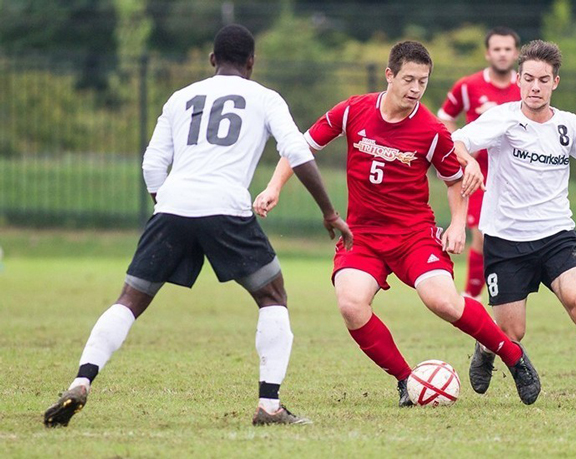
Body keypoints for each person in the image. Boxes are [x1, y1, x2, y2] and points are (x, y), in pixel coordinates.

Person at [43, 24, 352, 428]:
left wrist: (166, 204)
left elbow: (152, 165)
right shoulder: (264, 98)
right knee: (273, 297)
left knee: (129, 301)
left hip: (172, 205)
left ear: (211, 60)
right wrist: (329, 212)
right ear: (251, 63)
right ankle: (270, 406)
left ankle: (81, 381)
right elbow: (297, 152)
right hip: (226, 207)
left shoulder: (180, 98)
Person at [254, 41, 541, 406]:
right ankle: (407, 381)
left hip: (414, 236)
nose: (416, 89)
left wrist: (456, 224)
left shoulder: (431, 130)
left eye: (423, 81)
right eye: (408, 79)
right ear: (389, 75)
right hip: (362, 237)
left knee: (443, 302)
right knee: (351, 305)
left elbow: (453, 179)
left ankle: (513, 357)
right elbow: (301, 147)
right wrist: (273, 187)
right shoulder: (354, 109)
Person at [451, 40, 576, 410]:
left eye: (543, 80)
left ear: (555, 83)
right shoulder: (503, 118)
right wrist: (469, 162)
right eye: (529, 78)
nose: (535, 86)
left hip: (556, 236)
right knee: (512, 332)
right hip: (506, 240)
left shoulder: (568, 126)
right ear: (518, 80)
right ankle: (486, 348)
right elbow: (456, 140)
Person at [437, 26, 521, 302]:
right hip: (478, 173)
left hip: (514, 173)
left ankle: (507, 292)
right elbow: (445, 117)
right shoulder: (468, 85)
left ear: (516, 53)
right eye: (497, 49)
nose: (502, 54)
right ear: (488, 53)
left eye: (508, 49)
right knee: (483, 237)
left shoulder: (525, 86)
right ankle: (470, 296)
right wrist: (459, 150)